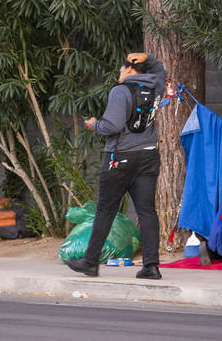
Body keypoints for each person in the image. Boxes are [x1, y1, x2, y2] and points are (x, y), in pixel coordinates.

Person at [65, 52, 167, 280]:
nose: (120, 75)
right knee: (147, 211)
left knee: (106, 210)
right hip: (148, 155)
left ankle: (90, 262)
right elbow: (161, 70)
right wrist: (148, 57)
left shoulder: (120, 91)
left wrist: (94, 125)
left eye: (121, 70)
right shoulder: (156, 86)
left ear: (129, 70)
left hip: (119, 158)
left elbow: (111, 126)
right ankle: (151, 266)